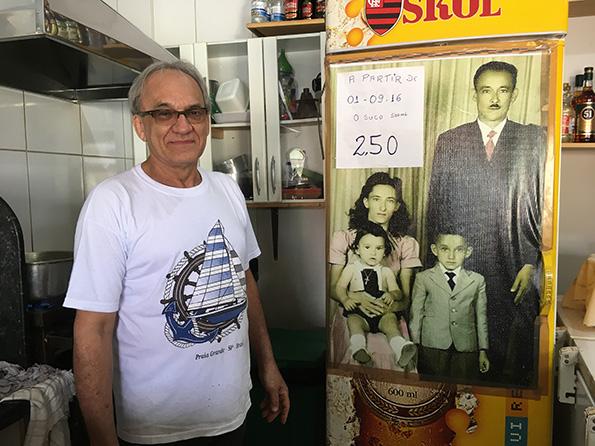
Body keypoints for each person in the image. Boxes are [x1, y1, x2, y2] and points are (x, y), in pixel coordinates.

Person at [64, 60, 289, 445]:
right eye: (164, 113)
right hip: (156, 431)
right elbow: (93, 329)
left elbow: (244, 282)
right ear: (140, 125)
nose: (183, 125)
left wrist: (267, 365)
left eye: (194, 112)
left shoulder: (228, 191)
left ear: (207, 120)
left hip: (233, 416)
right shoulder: (113, 202)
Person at [426, 60, 545, 386]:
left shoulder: (532, 139)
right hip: (462, 261)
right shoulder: (451, 140)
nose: (494, 98)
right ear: (475, 94)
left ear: (514, 94)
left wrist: (530, 261)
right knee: (461, 352)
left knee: (511, 353)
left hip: (513, 264)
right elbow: (437, 204)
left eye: (503, 90)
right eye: (486, 90)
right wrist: (437, 264)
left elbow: (542, 206)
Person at [329, 172, 422, 369]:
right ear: (366, 202)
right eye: (376, 199)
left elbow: (405, 297)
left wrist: (389, 307)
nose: (382, 207)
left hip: (388, 311)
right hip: (352, 311)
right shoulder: (344, 238)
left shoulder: (406, 244)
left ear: (396, 206)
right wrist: (356, 299)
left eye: (389, 201)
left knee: (391, 351)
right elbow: (333, 289)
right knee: (358, 353)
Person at [409, 231, 489, 382]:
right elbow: (416, 314)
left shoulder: (477, 280)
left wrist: (483, 350)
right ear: (435, 250)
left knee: (464, 390)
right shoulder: (424, 278)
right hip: (432, 346)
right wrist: (414, 346)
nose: (451, 256)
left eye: (458, 249)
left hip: (466, 346)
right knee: (433, 389)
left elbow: (481, 316)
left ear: (468, 252)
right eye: (445, 249)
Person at [335, 222, 416, 368]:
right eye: (367, 247)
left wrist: (392, 295)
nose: (373, 253)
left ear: (385, 251)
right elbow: (339, 287)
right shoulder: (351, 269)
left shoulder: (386, 272)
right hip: (359, 312)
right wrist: (345, 299)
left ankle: (401, 349)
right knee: (353, 322)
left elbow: (398, 292)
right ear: (357, 249)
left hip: (382, 312)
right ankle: (359, 348)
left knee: (391, 323)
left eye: (379, 248)